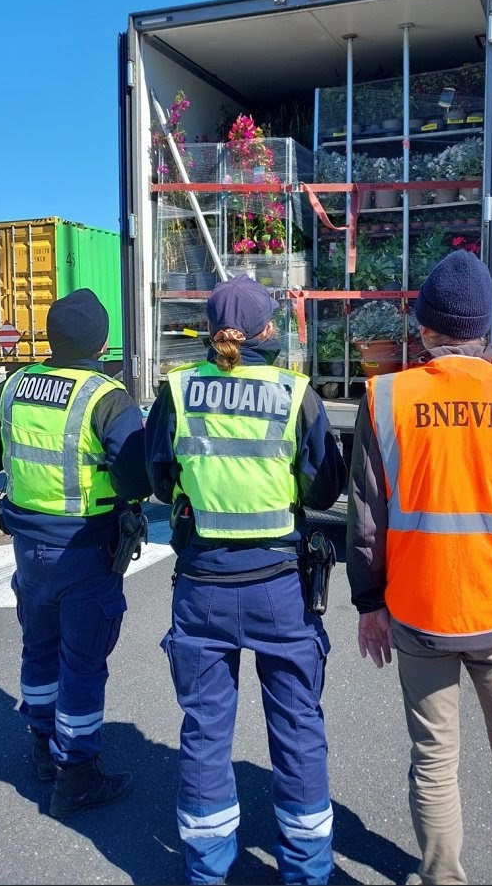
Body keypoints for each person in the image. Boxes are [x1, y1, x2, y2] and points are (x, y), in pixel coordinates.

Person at [345, 249, 492, 886]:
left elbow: (366, 519)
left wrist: (369, 605)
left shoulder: (388, 399)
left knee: (433, 761)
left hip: (420, 613)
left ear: (424, 329)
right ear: (482, 332)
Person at [145, 274, 347, 886]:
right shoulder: (296, 394)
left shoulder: (177, 391)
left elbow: (158, 480)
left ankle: (207, 872)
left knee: (205, 730)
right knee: (297, 726)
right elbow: (325, 486)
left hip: (202, 582)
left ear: (210, 331)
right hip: (280, 586)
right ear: (269, 331)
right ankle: (307, 872)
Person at [0, 288, 150, 820]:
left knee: (40, 648)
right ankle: (75, 772)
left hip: (29, 550)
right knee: (83, 662)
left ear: (51, 337)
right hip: (87, 549)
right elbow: (138, 476)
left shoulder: (12, 387)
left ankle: (41, 747)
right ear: (101, 341)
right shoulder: (106, 397)